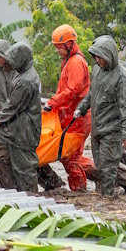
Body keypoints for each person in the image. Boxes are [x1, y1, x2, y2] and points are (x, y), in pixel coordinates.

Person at [75, 36, 126, 196]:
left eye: (101, 57)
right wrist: (82, 108)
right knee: (100, 167)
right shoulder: (97, 70)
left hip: (112, 129)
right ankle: (109, 194)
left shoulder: (122, 77)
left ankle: (108, 200)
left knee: (107, 170)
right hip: (98, 127)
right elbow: (92, 93)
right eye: (95, 57)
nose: (98, 60)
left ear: (109, 55)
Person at [42, 25, 94, 191]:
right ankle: (103, 176)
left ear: (69, 44)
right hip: (70, 116)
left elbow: (72, 91)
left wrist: (53, 102)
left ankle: (81, 189)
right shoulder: (68, 61)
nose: (58, 51)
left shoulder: (76, 62)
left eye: (59, 47)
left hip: (79, 117)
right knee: (66, 155)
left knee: (72, 157)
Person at [0, 42, 41, 192]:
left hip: (22, 130)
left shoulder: (25, 80)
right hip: (14, 129)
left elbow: (12, 106)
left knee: (24, 169)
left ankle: (30, 199)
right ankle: (10, 190)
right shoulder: (23, 76)